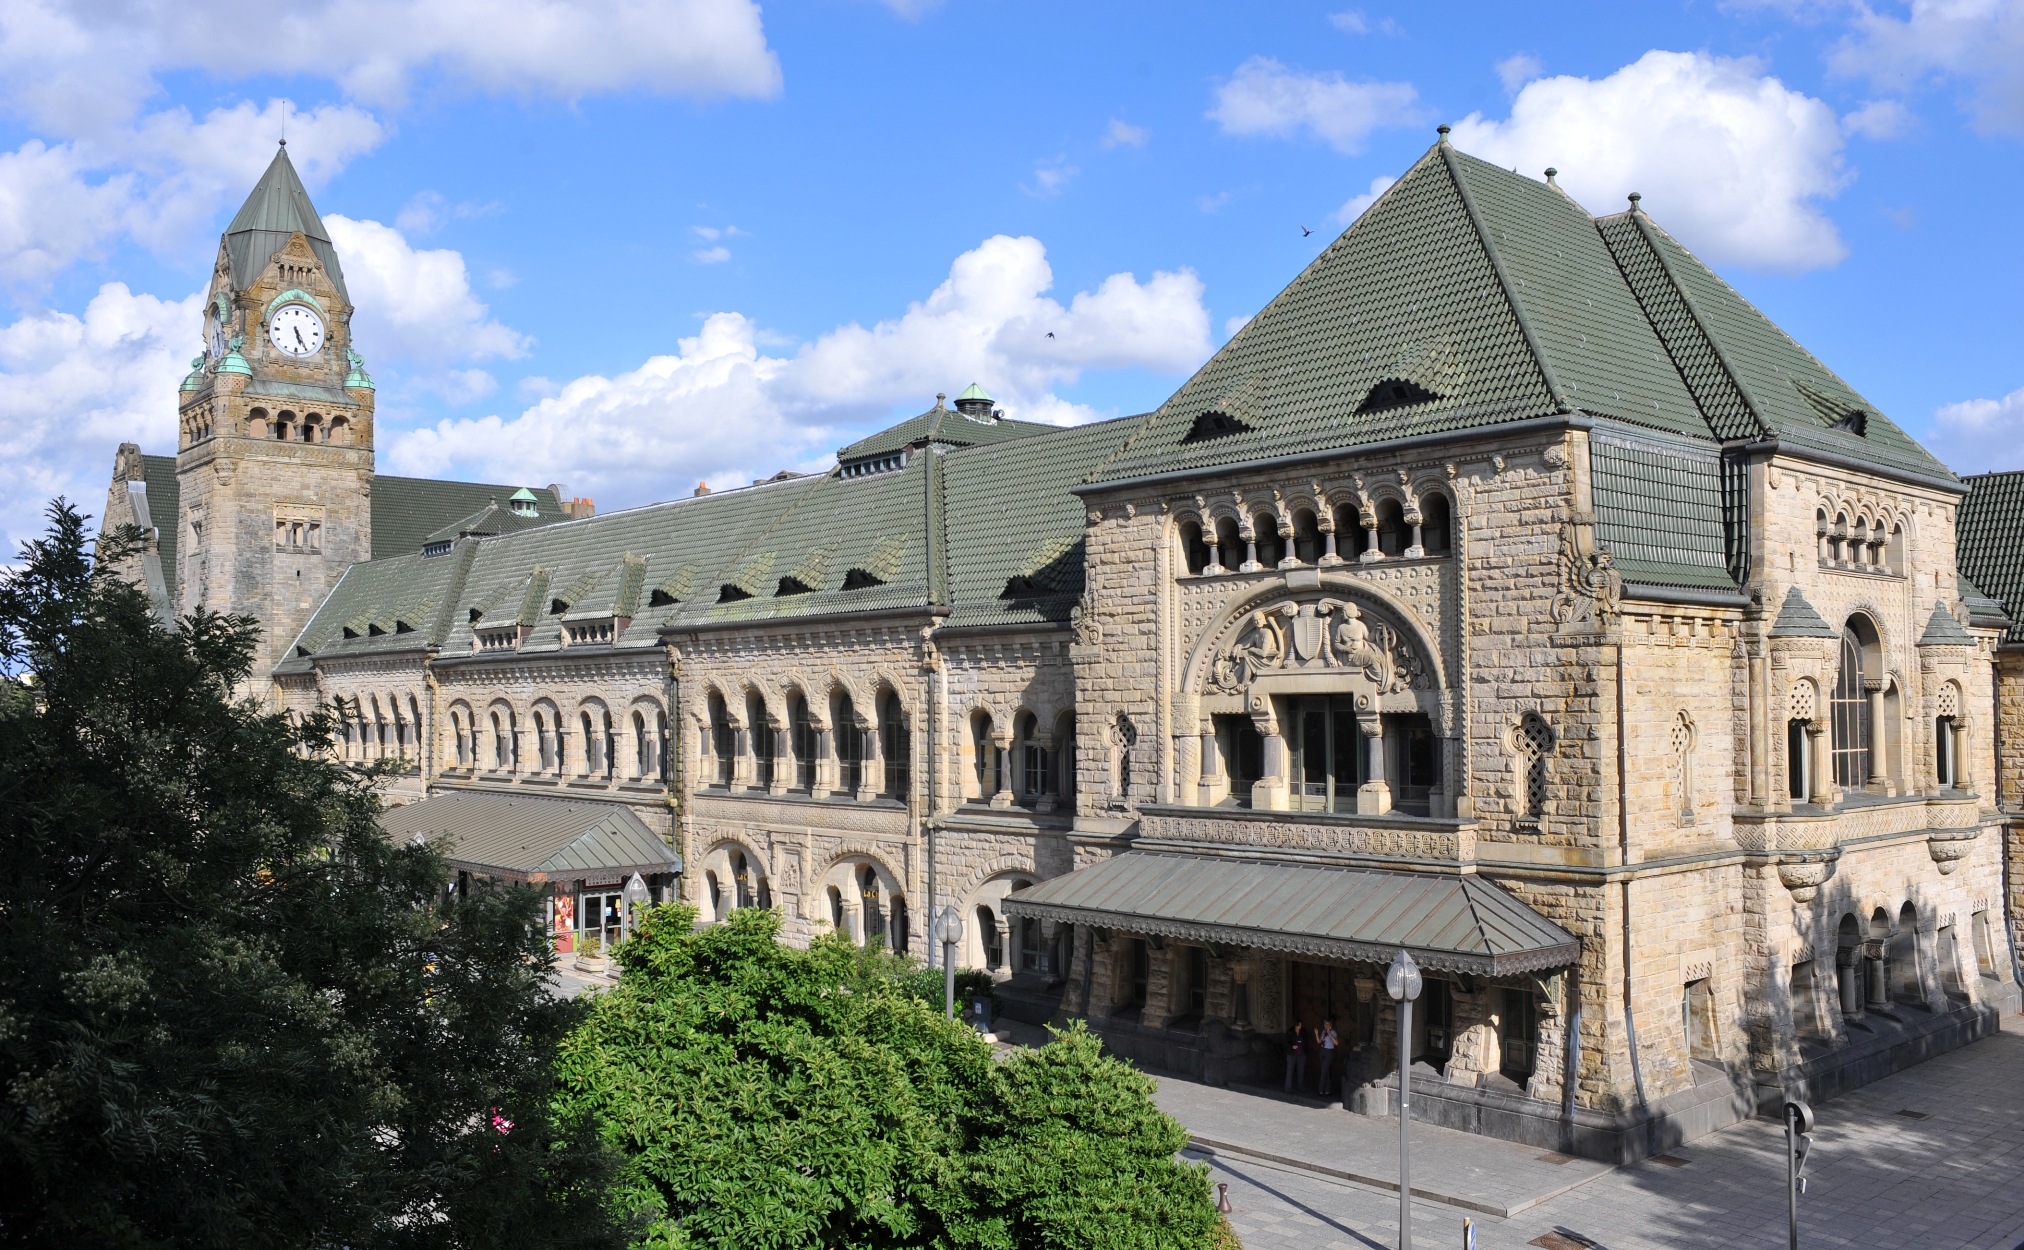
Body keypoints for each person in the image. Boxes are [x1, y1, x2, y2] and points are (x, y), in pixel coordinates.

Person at [1318, 1018, 1341, 1098]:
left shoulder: (1333, 1032)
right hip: (1322, 1051)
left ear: (1330, 1025)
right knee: (1326, 1070)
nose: (1325, 1026)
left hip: (1329, 1052)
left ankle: (1321, 1090)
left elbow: (1336, 1043)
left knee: (1323, 1071)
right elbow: (1319, 1041)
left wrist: (1330, 1034)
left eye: (1327, 1024)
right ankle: (1328, 1090)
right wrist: (1316, 1034)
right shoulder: (1323, 1032)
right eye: (1325, 1024)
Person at [1284, 1022, 1307, 1094]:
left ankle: (1301, 1087)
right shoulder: (1290, 1032)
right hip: (1292, 1054)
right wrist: (1292, 1046)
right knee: (1290, 1070)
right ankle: (1288, 1088)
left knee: (1301, 1070)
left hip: (1301, 1054)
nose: (1301, 1025)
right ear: (1295, 1025)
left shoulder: (1303, 1031)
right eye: (1299, 1024)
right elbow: (1286, 1042)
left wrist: (1305, 1050)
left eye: (1301, 1024)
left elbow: (1306, 1042)